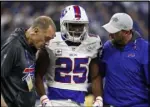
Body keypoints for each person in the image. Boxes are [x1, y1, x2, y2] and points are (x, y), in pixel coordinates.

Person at [35, 5, 103, 107]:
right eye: (73, 25)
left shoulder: (93, 42)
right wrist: (43, 98)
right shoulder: (51, 41)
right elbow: (38, 74)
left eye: (80, 26)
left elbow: (95, 76)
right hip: (53, 100)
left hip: (79, 101)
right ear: (63, 25)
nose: (77, 29)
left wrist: (98, 98)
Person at [1, 16, 56, 107]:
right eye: (46, 38)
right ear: (35, 31)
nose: (47, 43)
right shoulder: (14, 46)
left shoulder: (31, 47)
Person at [101, 13, 149, 106]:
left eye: (115, 32)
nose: (110, 35)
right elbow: (98, 76)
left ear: (127, 32)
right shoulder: (107, 47)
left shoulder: (145, 49)